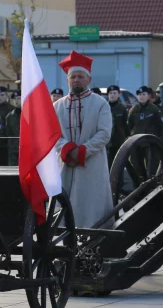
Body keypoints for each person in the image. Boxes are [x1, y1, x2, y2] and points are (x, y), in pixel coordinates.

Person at [54, 50, 114, 228]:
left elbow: (104, 133)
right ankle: (65, 249)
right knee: (63, 213)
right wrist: (67, 150)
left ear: (88, 79)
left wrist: (81, 152)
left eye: (80, 76)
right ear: (67, 80)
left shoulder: (100, 103)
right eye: (73, 77)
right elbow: (53, 135)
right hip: (65, 164)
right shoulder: (57, 106)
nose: (76, 80)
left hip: (91, 165)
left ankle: (94, 248)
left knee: (91, 211)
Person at [106, 85, 128, 165]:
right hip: (106, 141)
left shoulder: (122, 108)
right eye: (110, 93)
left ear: (118, 94)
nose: (112, 95)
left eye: (115, 93)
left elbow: (126, 125)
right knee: (107, 164)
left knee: (118, 164)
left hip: (118, 140)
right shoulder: (104, 107)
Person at [0, 87, 14, 164]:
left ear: (6, 96)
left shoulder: (12, 109)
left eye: (2, 95)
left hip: (8, 143)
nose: (0, 97)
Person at [6, 89, 21, 166]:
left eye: (19, 98)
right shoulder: (10, 116)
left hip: (27, 148)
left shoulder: (29, 114)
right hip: (14, 149)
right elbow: (8, 133)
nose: (16, 100)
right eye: (15, 99)